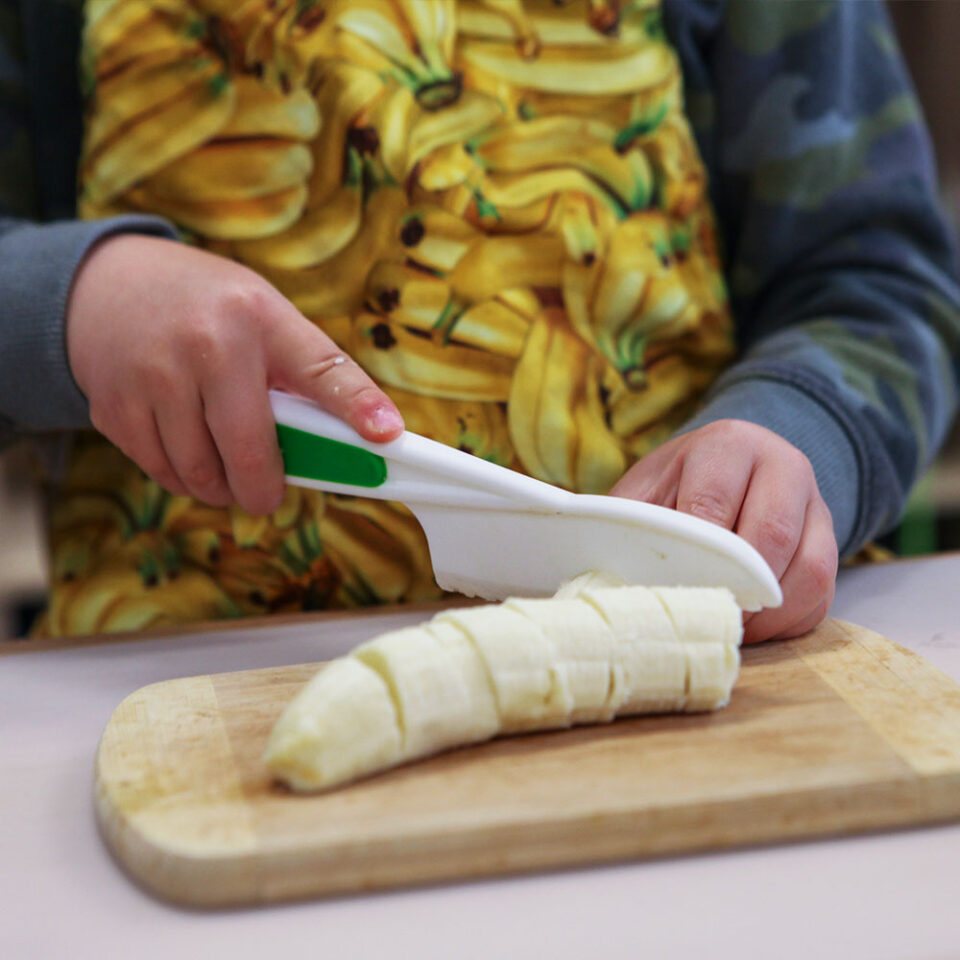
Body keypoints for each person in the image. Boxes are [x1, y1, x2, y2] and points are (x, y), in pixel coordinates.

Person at [1, 0, 958, 641]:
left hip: (709, 673)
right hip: (180, 682)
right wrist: (69, 298)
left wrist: (792, 440)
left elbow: (876, 279)